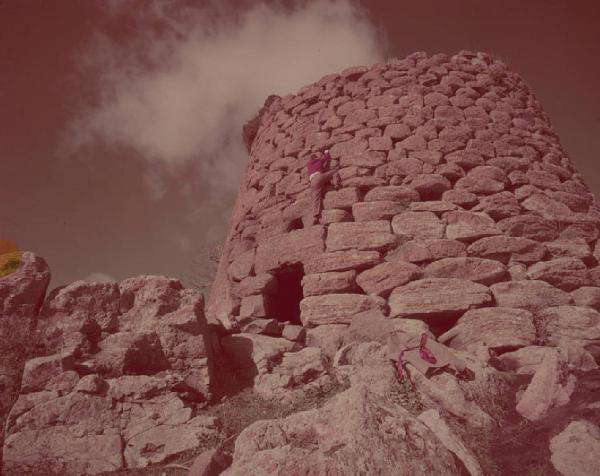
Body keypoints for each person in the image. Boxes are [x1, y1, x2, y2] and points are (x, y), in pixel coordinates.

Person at [307, 149, 341, 225]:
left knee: (316, 198)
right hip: (319, 177)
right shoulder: (318, 160)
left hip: (312, 182)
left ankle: (315, 215)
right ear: (315, 158)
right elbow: (326, 157)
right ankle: (336, 184)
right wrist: (326, 152)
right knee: (334, 172)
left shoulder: (309, 165)